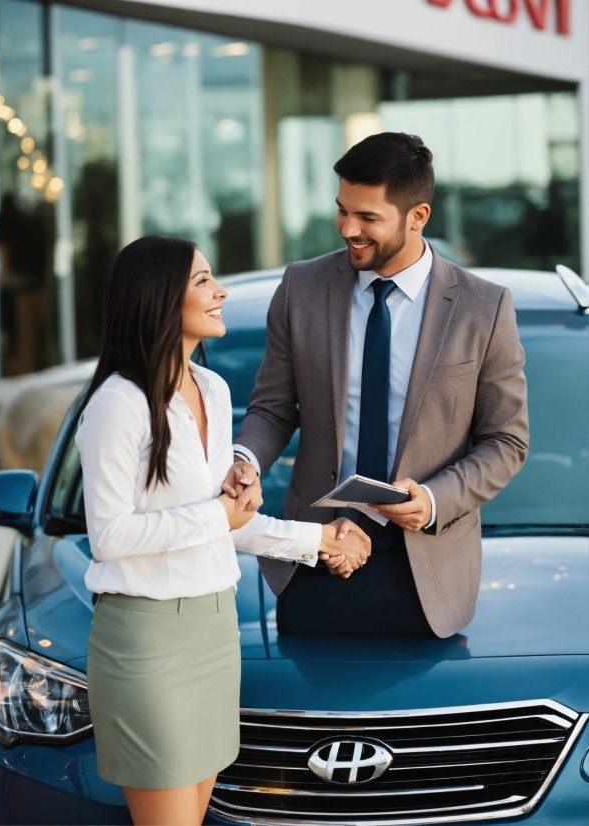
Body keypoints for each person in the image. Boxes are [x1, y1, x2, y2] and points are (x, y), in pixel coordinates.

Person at [76, 235, 370, 826]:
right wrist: (219, 516)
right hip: (146, 638)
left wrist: (320, 541)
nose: (221, 292)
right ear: (160, 300)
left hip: (215, 631)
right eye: (203, 281)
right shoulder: (118, 402)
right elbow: (108, 535)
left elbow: (226, 528)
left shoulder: (212, 389)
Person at [229, 131, 529, 639]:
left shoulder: (485, 307)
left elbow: (506, 440)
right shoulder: (301, 287)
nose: (348, 229)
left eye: (368, 217)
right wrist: (245, 459)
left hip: (427, 572)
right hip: (314, 554)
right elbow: (274, 409)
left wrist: (433, 501)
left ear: (418, 217)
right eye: (343, 210)